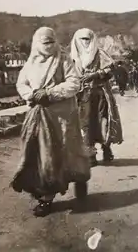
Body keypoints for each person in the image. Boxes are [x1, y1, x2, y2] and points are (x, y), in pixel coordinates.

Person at [12, 27, 91, 217]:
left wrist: (50, 93)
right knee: (40, 154)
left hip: (62, 116)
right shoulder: (31, 63)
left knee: (66, 153)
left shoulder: (63, 60)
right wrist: (32, 95)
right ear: (36, 43)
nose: (48, 46)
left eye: (51, 42)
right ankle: (45, 196)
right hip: (38, 114)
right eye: (44, 43)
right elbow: (21, 84)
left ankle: (78, 179)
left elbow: (74, 84)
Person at [70, 28, 124, 166]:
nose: (85, 42)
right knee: (85, 124)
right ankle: (90, 154)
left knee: (103, 121)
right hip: (82, 96)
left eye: (88, 39)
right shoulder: (72, 57)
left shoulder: (100, 54)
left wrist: (95, 74)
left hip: (99, 94)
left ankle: (106, 147)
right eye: (82, 39)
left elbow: (110, 69)